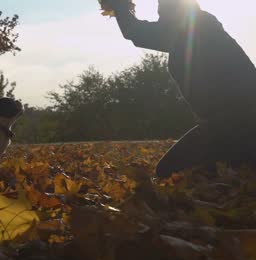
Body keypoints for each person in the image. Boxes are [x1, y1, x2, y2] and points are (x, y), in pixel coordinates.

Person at [108, 0, 256, 177]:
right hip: (224, 125)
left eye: (162, 14)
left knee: (167, 172)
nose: (160, 19)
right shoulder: (199, 28)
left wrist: (119, 5)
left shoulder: (194, 28)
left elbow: (135, 32)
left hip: (235, 124)